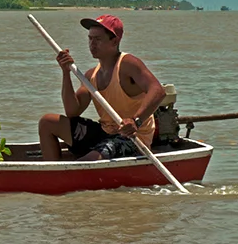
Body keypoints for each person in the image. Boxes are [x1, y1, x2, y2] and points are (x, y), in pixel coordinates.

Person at [38, 14, 166, 161]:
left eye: (98, 39)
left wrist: (135, 121)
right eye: (90, 38)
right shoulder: (91, 75)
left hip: (132, 138)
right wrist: (66, 72)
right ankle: (55, 173)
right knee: (47, 122)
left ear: (114, 41)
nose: (92, 44)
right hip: (105, 133)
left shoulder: (127, 64)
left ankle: (73, 173)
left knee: (87, 162)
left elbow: (158, 91)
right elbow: (72, 111)